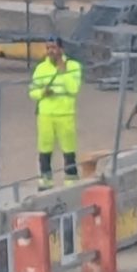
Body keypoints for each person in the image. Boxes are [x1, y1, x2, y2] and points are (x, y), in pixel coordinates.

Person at [30, 43, 83, 186]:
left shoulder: (74, 66)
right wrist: (42, 93)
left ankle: (71, 182)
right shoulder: (41, 68)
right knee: (44, 149)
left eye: (53, 48)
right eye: (47, 48)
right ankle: (45, 182)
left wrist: (63, 70)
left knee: (69, 149)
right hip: (46, 114)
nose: (50, 51)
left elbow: (74, 89)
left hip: (65, 114)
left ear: (61, 49)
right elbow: (32, 92)